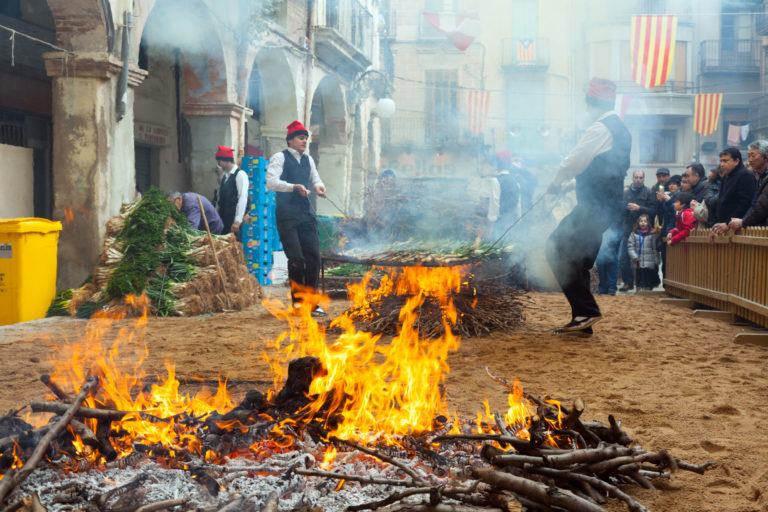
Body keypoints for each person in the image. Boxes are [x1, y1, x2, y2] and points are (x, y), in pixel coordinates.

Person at [545, 77, 631, 335]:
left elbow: (572, 162)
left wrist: (555, 183)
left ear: (594, 103)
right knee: (578, 260)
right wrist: (571, 186)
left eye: (588, 104)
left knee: (555, 248)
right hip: (604, 207)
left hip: (594, 208)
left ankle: (586, 312)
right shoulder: (619, 128)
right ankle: (583, 322)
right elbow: (603, 170)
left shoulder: (600, 128)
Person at [266, 120, 327, 316]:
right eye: (301, 138)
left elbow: (315, 178)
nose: (305, 141)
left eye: (306, 138)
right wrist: (293, 187)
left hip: (305, 214)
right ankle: (298, 302)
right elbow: (271, 182)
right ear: (290, 140)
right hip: (287, 216)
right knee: (297, 259)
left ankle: (312, 303)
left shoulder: (308, 159)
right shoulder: (280, 157)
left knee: (314, 258)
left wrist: (318, 186)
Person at [618, 170, 656, 292]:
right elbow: (621, 210)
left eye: (641, 177)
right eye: (636, 177)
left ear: (643, 179)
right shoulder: (626, 193)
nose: (638, 179)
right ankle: (628, 283)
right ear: (632, 178)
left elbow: (654, 210)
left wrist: (640, 208)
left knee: (643, 258)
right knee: (624, 257)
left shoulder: (649, 193)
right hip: (627, 229)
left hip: (643, 231)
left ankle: (643, 284)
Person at [710, 147, 758, 237]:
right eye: (721, 161)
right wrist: (717, 226)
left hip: (739, 230)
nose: (722, 164)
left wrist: (728, 223)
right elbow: (720, 203)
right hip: (723, 229)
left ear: (736, 161)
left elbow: (745, 204)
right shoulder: (726, 177)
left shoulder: (745, 176)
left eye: (725, 161)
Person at [215, 145, 248, 239]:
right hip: (223, 219)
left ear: (224, 161)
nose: (219, 164)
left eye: (219, 161)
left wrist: (237, 221)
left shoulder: (240, 175)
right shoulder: (225, 177)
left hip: (233, 220)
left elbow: (242, 198)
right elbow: (219, 198)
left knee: (234, 248)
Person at [627, 213, 660, 291]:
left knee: (648, 274)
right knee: (638, 274)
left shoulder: (652, 234)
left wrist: (656, 259)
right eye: (641, 221)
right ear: (638, 223)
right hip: (638, 259)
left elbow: (654, 248)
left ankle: (648, 288)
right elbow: (630, 247)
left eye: (645, 221)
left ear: (648, 223)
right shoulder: (633, 234)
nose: (643, 223)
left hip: (649, 259)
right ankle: (638, 288)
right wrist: (634, 256)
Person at [493, 150, 521, 240]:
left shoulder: (496, 180)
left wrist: (490, 224)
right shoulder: (515, 182)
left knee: (498, 250)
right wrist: (518, 223)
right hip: (512, 224)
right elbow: (518, 206)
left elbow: (494, 206)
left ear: (497, 164)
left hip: (499, 226)